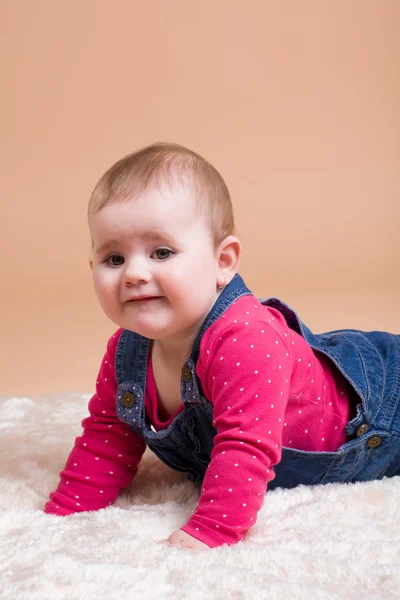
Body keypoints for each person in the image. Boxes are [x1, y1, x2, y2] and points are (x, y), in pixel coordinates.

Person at [45, 142, 400, 550]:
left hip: (380, 412)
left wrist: (210, 531)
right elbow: (108, 434)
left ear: (223, 262)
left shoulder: (243, 340)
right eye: (113, 259)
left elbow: (244, 446)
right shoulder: (126, 352)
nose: (135, 273)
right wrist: (66, 511)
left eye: (161, 252)